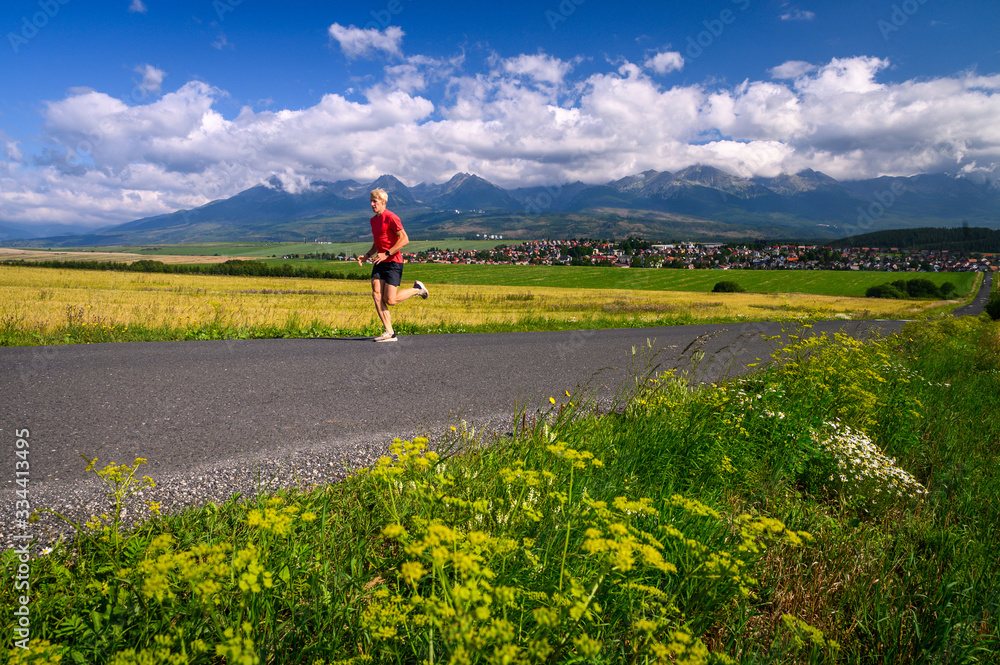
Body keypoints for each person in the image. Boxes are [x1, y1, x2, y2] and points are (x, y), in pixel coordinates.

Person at [357, 188, 429, 342]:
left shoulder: (392, 217)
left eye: (374, 201)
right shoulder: (373, 220)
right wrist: (367, 255)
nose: (371, 204)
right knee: (376, 294)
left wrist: (387, 254)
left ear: (383, 202)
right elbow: (378, 241)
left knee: (391, 300)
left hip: (393, 262)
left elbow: (404, 239)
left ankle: (418, 289)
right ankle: (389, 332)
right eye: (370, 201)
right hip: (379, 261)